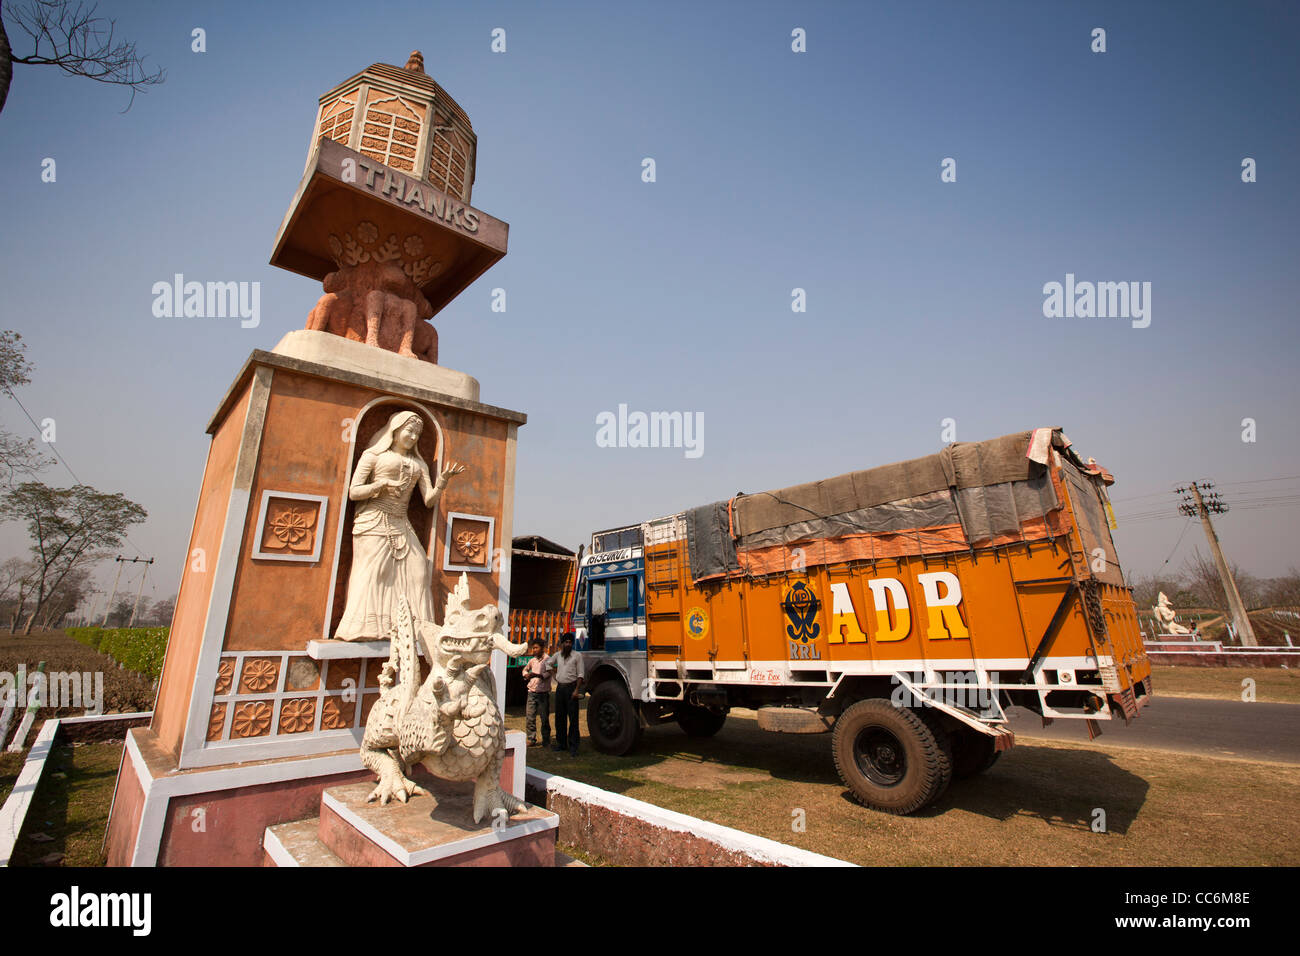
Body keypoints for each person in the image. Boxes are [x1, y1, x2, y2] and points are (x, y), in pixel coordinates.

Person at [335, 409, 464, 640]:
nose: (413, 437)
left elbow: (428, 501)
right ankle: (363, 628)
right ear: (395, 430)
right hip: (373, 520)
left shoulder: (418, 464)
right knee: (374, 573)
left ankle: (414, 627)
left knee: (418, 571)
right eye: (409, 431)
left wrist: (442, 482)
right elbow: (354, 492)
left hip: (401, 523)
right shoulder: (373, 456)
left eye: (417, 434)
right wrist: (380, 485)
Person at [549, 632, 585, 755]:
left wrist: (576, 690)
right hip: (560, 688)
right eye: (566, 642)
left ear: (572, 644)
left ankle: (574, 746)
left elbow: (580, 674)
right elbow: (547, 663)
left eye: (570, 642)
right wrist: (554, 675)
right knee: (560, 717)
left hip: (571, 689)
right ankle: (561, 744)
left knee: (573, 718)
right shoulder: (558, 655)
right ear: (562, 644)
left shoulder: (577, 656)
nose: (568, 644)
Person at [521, 639, 554, 747]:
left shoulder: (548, 660)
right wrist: (526, 674)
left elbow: (549, 673)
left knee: (544, 718)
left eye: (536, 648)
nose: (534, 650)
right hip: (532, 692)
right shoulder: (532, 660)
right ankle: (531, 739)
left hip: (543, 693)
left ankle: (546, 740)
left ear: (542, 648)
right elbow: (525, 670)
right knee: (530, 717)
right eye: (533, 648)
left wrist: (537, 675)